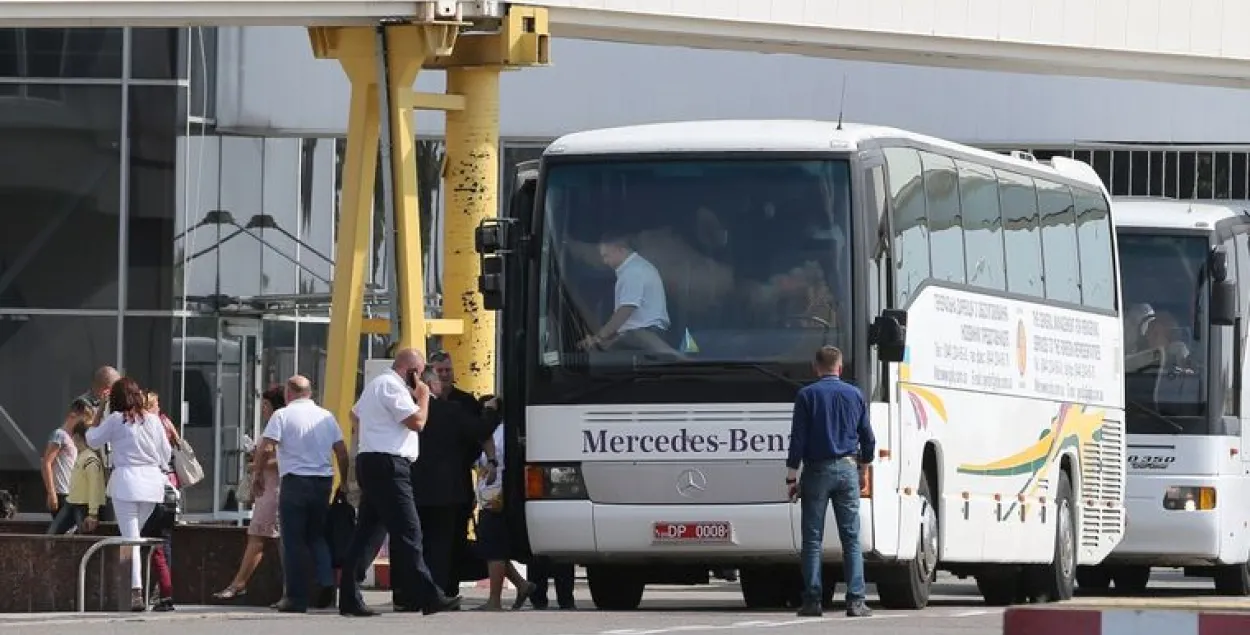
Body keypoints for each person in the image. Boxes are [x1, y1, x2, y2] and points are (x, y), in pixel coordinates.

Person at [338, 348, 460, 617]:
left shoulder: (376, 385)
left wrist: (374, 431)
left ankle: (348, 597)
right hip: (388, 465)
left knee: (368, 533)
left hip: (374, 461)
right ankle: (429, 595)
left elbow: (354, 414)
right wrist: (424, 397)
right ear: (412, 371)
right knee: (409, 531)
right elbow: (418, 422)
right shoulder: (392, 386)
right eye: (420, 373)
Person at [785, 346, 875, 618]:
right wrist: (864, 468)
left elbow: (797, 439)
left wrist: (791, 476)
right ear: (840, 367)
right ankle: (856, 601)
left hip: (816, 471)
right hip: (847, 468)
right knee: (851, 538)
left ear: (816, 367)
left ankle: (813, 600)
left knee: (812, 539)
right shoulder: (855, 394)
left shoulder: (806, 395)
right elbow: (868, 438)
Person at [257, 375, 350, 613]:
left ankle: (296, 598)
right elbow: (341, 451)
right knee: (317, 536)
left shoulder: (282, 415)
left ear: (289, 393)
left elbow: (266, 446)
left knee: (293, 540)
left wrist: (256, 475)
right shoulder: (326, 416)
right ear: (310, 392)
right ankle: (327, 583)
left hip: (295, 482)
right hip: (322, 482)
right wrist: (345, 481)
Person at [85, 377, 173, 612]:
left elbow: (92, 439)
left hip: (126, 483)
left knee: (131, 538)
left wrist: (99, 409)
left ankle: (135, 591)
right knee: (138, 537)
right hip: (152, 486)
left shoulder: (115, 419)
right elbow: (166, 453)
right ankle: (137, 587)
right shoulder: (154, 420)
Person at [410, 367, 497, 598]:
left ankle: (411, 593)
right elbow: (481, 429)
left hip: (415, 488)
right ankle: (438, 592)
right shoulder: (451, 410)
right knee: (441, 545)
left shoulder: (408, 412)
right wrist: (490, 411)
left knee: (419, 541)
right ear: (432, 385)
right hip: (447, 491)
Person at [214, 386, 286, 601]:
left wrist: (256, 466)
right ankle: (241, 584)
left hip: (273, 489)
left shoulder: (281, 423)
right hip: (268, 488)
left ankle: (239, 584)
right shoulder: (276, 424)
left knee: (260, 538)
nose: (263, 409)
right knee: (265, 539)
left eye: (265, 405)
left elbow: (283, 459)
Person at [472, 399, 536, 611]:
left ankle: (494, 599)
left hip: (497, 496)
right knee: (492, 547)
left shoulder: (501, 433)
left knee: (494, 549)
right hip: (489, 494)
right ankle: (521, 584)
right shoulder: (498, 432)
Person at [579, 232, 671, 352]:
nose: (605, 261)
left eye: (606, 256)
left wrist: (599, 337)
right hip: (642, 336)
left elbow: (626, 310)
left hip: (643, 336)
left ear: (620, 250)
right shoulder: (638, 267)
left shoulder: (632, 271)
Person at [44, 401, 86, 534]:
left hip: (72, 493)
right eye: (82, 419)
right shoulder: (60, 435)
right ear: (73, 415)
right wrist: (52, 493)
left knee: (70, 531)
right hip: (62, 493)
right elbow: (46, 463)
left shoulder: (73, 438)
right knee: (61, 531)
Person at [64, 405, 105, 534]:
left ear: (77, 437)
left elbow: (94, 487)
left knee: (82, 537)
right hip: (72, 501)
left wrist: (93, 512)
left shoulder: (90, 459)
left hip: (82, 504)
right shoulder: (81, 456)